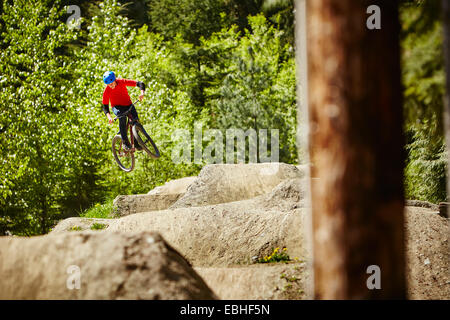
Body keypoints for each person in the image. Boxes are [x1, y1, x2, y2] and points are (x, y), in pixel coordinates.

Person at [102, 71, 146, 151]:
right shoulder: (107, 91)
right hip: (117, 107)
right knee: (122, 117)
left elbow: (140, 83)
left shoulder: (122, 82)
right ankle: (125, 142)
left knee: (135, 120)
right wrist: (109, 117)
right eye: (108, 84)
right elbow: (105, 106)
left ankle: (136, 142)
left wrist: (142, 93)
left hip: (128, 104)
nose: (111, 85)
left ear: (115, 80)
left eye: (112, 83)